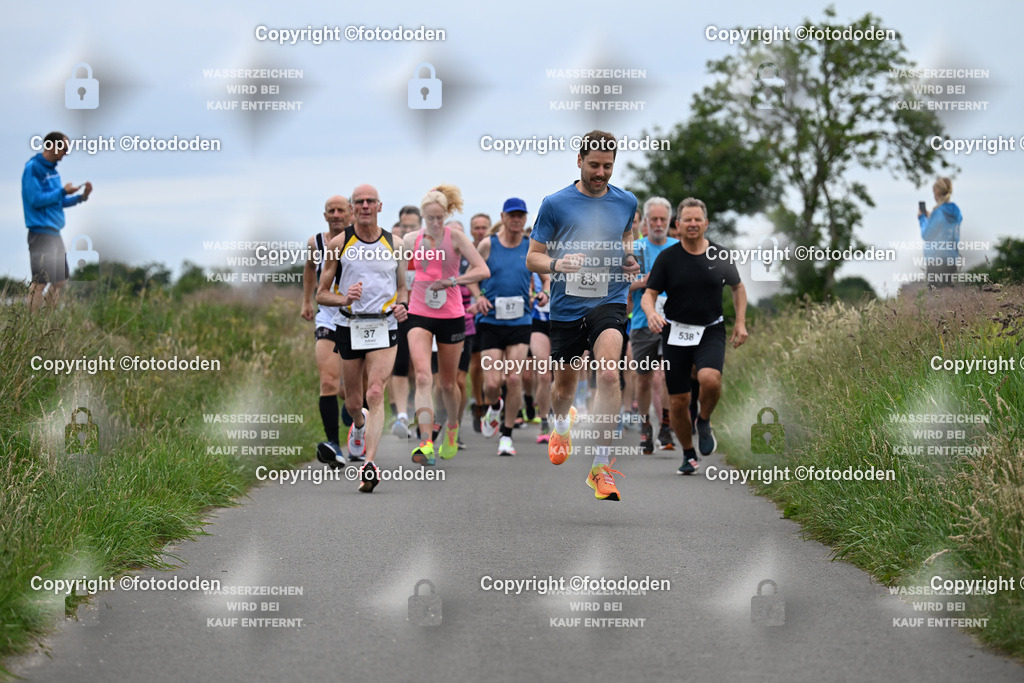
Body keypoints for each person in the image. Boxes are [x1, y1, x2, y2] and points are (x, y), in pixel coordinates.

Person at [527, 130, 640, 502]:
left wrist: (627, 259)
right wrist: (559, 263)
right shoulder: (555, 204)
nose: (601, 173)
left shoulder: (626, 202)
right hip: (566, 305)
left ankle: (600, 468)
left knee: (609, 372)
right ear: (579, 161)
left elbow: (625, 240)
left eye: (608, 166)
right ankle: (561, 422)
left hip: (608, 299)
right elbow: (534, 257)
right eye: (594, 165)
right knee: (564, 389)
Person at [642, 198, 748, 475]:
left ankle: (704, 419)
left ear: (705, 223)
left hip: (711, 329)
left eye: (697, 219)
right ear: (677, 225)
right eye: (686, 220)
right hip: (675, 331)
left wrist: (740, 323)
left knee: (710, 380)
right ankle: (688, 454)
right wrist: (652, 313)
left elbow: (738, 288)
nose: (692, 224)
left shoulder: (720, 256)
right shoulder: (668, 258)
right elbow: (649, 295)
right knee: (677, 400)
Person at [316, 184, 407, 492]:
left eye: (371, 201)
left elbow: (403, 286)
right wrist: (344, 299)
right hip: (350, 326)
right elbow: (321, 294)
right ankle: (358, 425)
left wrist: (402, 304)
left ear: (380, 206)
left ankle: (369, 462)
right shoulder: (339, 244)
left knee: (376, 392)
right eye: (360, 202)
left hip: (384, 325)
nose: (365, 206)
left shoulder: (396, 243)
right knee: (354, 401)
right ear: (353, 209)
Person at [404, 185, 489, 465]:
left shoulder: (457, 239)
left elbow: (481, 270)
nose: (436, 223)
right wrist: (400, 301)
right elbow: (403, 277)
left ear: (446, 214)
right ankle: (426, 441)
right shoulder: (410, 241)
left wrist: (453, 281)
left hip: (451, 315)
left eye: (440, 217)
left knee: (449, 384)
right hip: (418, 313)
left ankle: (452, 425)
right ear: (422, 216)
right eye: (431, 218)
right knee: (424, 377)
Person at [473, 198, 543, 456]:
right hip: (490, 322)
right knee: (493, 383)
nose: (516, 220)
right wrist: (478, 295)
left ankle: (506, 435)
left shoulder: (530, 247)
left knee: (513, 378)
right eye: (512, 215)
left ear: (525, 218)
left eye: (520, 216)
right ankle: (493, 406)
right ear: (502, 216)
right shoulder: (487, 245)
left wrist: (544, 291)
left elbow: (545, 279)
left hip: (520, 322)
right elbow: (472, 273)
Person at [302, 195, 356, 468]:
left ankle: (358, 430)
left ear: (351, 213)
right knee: (328, 383)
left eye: (340, 210)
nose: (336, 215)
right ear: (325, 216)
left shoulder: (363, 240)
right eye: (330, 211)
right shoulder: (317, 243)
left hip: (359, 320)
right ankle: (334, 445)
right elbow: (310, 268)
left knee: (353, 391)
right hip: (328, 318)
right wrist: (306, 301)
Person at [628, 197, 679, 454]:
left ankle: (666, 426)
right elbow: (619, 285)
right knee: (645, 378)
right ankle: (646, 426)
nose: (658, 224)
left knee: (667, 374)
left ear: (669, 221)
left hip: (674, 321)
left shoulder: (679, 247)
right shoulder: (635, 248)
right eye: (654, 219)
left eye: (663, 219)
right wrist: (642, 282)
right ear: (646, 222)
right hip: (641, 321)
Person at [23, 131, 92, 312]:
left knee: (60, 280)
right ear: (51, 146)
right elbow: (35, 200)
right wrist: (62, 191)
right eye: (64, 148)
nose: (66, 153)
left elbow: (58, 201)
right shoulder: (33, 168)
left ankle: (48, 323)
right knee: (40, 282)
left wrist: (80, 197)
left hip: (54, 233)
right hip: (40, 231)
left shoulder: (53, 171)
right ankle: (32, 323)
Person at [389, 205, 424, 437]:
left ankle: (422, 413)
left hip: (424, 315)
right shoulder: (391, 250)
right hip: (399, 313)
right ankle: (401, 416)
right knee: (399, 366)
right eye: (404, 226)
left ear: (420, 226)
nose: (408, 229)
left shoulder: (430, 250)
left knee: (421, 371)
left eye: (413, 226)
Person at [918, 177, 962, 288]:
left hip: (936, 259)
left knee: (935, 296)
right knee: (948, 294)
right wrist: (931, 218)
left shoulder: (938, 212)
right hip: (951, 258)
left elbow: (926, 235)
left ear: (937, 191)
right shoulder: (956, 210)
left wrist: (923, 219)